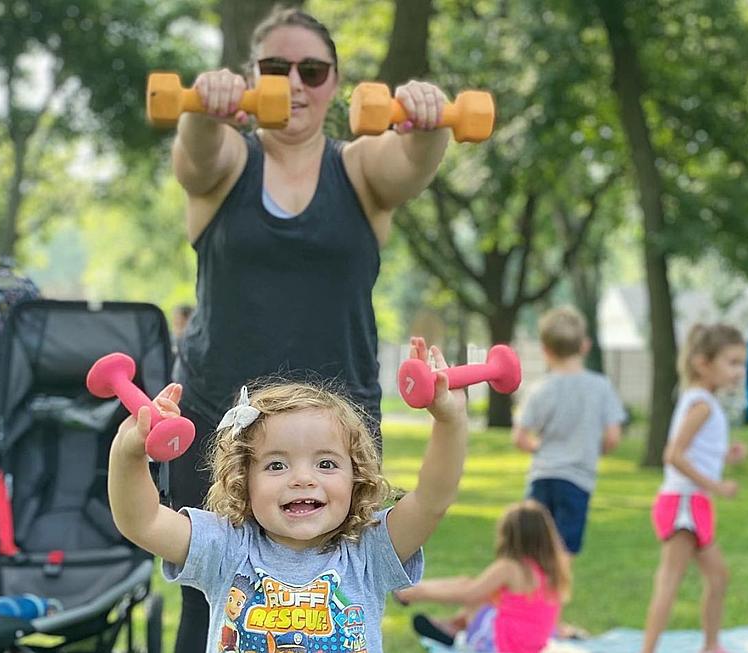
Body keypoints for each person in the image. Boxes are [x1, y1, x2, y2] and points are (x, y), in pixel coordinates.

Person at [168, 6, 459, 647]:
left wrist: (429, 119)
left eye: (313, 69)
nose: (295, 82)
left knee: (337, 597)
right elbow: (194, 157)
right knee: (214, 602)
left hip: (338, 428)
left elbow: (412, 162)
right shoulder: (226, 168)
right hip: (224, 426)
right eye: (275, 67)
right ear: (251, 76)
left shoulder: (358, 170)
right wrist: (202, 109)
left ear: (335, 82)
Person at [108, 337, 469, 652]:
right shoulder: (227, 546)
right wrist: (128, 452)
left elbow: (432, 499)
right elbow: (142, 520)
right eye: (277, 466)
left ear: (356, 478)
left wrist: (450, 421)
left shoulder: (369, 550)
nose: (302, 479)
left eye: (326, 464)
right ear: (243, 481)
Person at [640, 323, 748, 653]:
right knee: (669, 582)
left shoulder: (705, 402)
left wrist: (725, 454)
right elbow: (673, 454)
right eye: (732, 363)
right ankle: (648, 649)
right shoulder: (701, 405)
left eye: (741, 363)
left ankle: (711, 644)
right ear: (703, 363)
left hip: (693, 502)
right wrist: (717, 485)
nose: (739, 372)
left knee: (718, 577)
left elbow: (696, 451)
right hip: (682, 503)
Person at [511, 306, 626, 557]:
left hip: (541, 477)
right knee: (564, 552)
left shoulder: (540, 389)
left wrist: (537, 448)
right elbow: (613, 437)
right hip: (578, 479)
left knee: (534, 548)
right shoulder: (601, 387)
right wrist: (596, 450)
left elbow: (519, 437)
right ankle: (554, 596)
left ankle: (530, 594)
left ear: (545, 350)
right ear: (585, 346)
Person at [394, 500, 570, 653]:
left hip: (503, 645)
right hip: (532, 645)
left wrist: (420, 594)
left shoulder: (510, 567)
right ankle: (450, 625)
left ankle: (412, 592)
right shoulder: (551, 571)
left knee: (475, 590)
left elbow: (469, 593)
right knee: (488, 593)